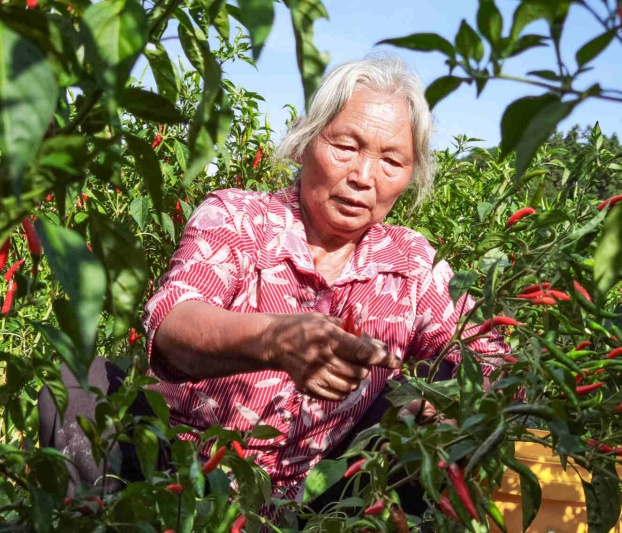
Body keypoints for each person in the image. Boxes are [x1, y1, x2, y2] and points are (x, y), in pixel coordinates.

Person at [39, 56, 509, 517]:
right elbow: (174, 322)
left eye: (391, 160)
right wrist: (276, 341)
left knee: (428, 407)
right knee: (80, 385)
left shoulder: (413, 263)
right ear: (305, 141)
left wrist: (448, 401)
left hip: (318, 504)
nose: (363, 178)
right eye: (346, 146)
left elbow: (494, 359)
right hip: (180, 473)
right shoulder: (240, 217)